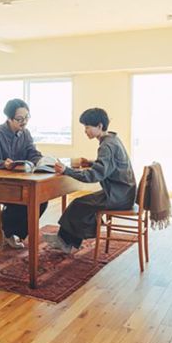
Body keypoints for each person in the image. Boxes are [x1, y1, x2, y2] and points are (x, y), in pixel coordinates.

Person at [45, 108, 136, 254]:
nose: (85, 131)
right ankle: (66, 241)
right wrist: (91, 162)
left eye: (87, 127)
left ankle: (65, 242)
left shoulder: (106, 146)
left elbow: (94, 176)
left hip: (117, 196)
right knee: (81, 204)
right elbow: (109, 165)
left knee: (78, 204)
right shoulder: (112, 139)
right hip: (123, 193)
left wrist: (67, 170)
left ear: (99, 126)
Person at [0, 98, 48, 249]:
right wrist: (3, 164)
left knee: (41, 199)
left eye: (27, 117)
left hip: (18, 183)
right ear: (9, 118)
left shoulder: (25, 133)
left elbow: (32, 153)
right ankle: (7, 228)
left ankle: (9, 230)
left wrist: (43, 161)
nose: (24, 122)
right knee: (23, 199)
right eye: (19, 119)